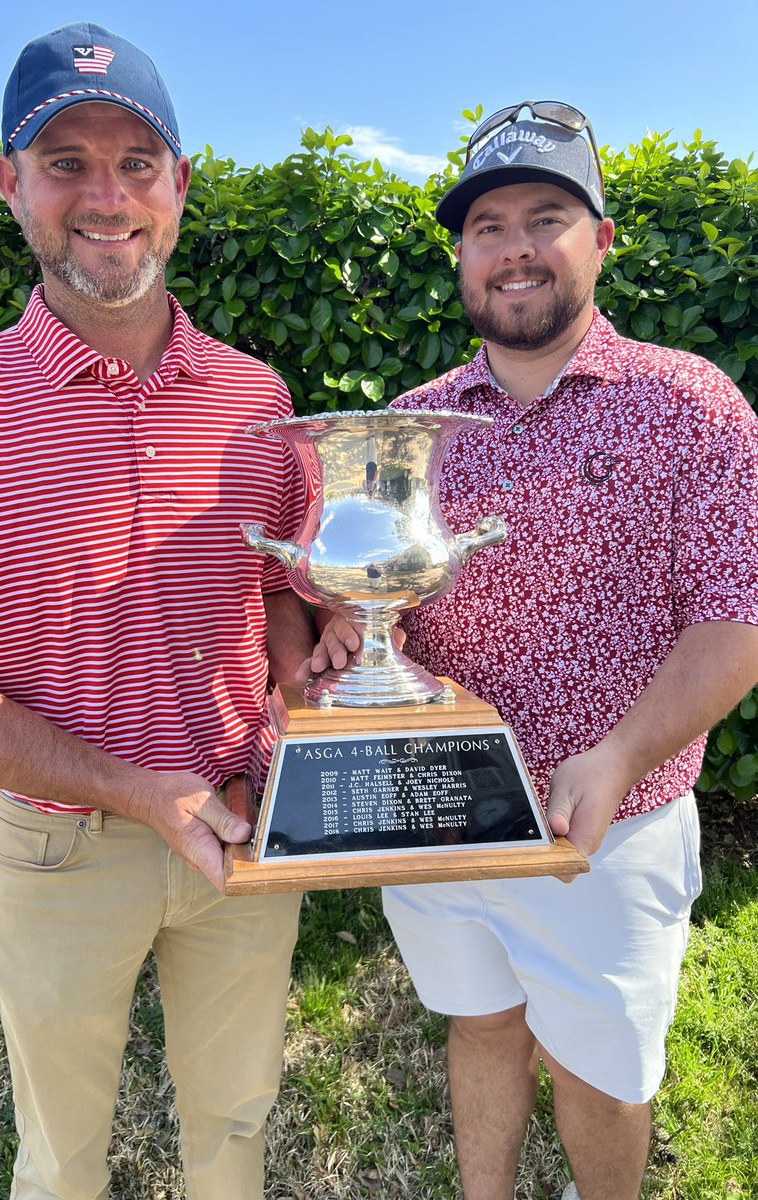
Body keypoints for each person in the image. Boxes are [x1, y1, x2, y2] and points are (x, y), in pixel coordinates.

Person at [0, 23, 317, 1200]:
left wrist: (305, 677)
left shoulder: (258, 399)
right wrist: (134, 790)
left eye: (137, 162)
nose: (107, 196)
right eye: (65, 162)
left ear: (181, 185)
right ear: (8, 183)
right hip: (57, 844)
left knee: (234, 1131)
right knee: (62, 1158)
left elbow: (281, 586)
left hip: (243, 820)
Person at [305, 101, 758, 1200]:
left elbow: (735, 624)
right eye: (487, 226)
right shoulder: (406, 424)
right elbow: (375, 595)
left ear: (601, 239)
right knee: (481, 1026)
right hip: (435, 804)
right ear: (462, 256)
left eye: (545, 218)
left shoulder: (691, 406)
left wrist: (620, 755)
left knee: (601, 1074)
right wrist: (345, 628)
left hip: (608, 823)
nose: (514, 248)